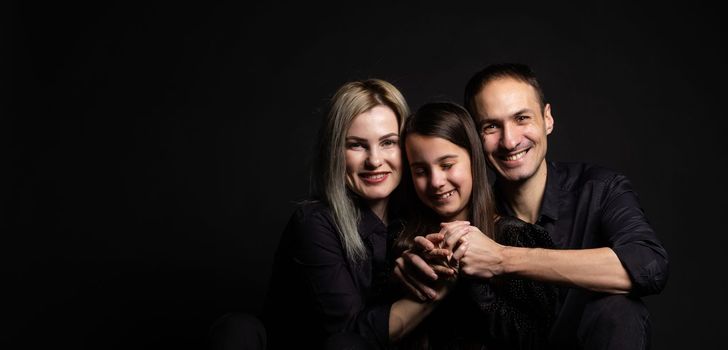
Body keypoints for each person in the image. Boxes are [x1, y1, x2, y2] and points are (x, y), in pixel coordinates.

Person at [396, 63, 669, 349]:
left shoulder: (600, 189)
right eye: (491, 126)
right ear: (475, 140)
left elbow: (649, 266)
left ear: (547, 119)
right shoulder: (470, 216)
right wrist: (408, 274)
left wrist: (502, 258)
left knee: (621, 310)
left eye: (521, 118)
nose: (510, 140)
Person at [259, 79, 447, 350]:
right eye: (357, 145)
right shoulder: (314, 223)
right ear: (335, 151)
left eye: (388, 143)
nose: (374, 160)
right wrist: (441, 290)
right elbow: (349, 335)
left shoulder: (417, 215)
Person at [395, 101, 559, 349]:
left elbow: (537, 338)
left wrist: (471, 278)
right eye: (420, 171)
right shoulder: (401, 240)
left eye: (447, 165)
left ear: (473, 160)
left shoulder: (514, 235)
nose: (436, 181)